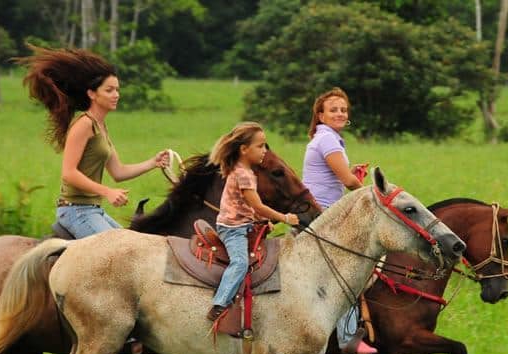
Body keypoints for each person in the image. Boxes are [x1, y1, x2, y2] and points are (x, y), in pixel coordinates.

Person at [17, 44, 172, 238]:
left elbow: (118, 171)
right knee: (119, 253)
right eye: (109, 90)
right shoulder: (84, 125)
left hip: (93, 210)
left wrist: (153, 163)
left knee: (134, 243)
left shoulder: (100, 126)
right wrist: (107, 192)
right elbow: (69, 173)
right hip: (75, 211)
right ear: (92, 93)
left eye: (117, 89)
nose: (116, 95)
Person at [302, 87, 377, 354]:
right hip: (321, 215)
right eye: (333, 109)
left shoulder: (328, 139)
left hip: (323, 211)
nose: (340, 113)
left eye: (343, 109)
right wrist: (373, 194)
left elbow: (339, 177)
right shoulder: (328, 141)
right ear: (320, 115)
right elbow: (347, 181)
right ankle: (347, 336)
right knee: (351, 268)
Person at [206, 122, 300, 321]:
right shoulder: (243, 175)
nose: (264, 151)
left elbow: (247, 206)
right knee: (240, 262)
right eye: (260, 146)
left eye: (265, 145)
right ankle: (219, 303)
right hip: (233, 229)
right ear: (243, 149)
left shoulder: (246, 172)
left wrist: (262, 220)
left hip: (243, 223)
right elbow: (257, 205)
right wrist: (285, 218)